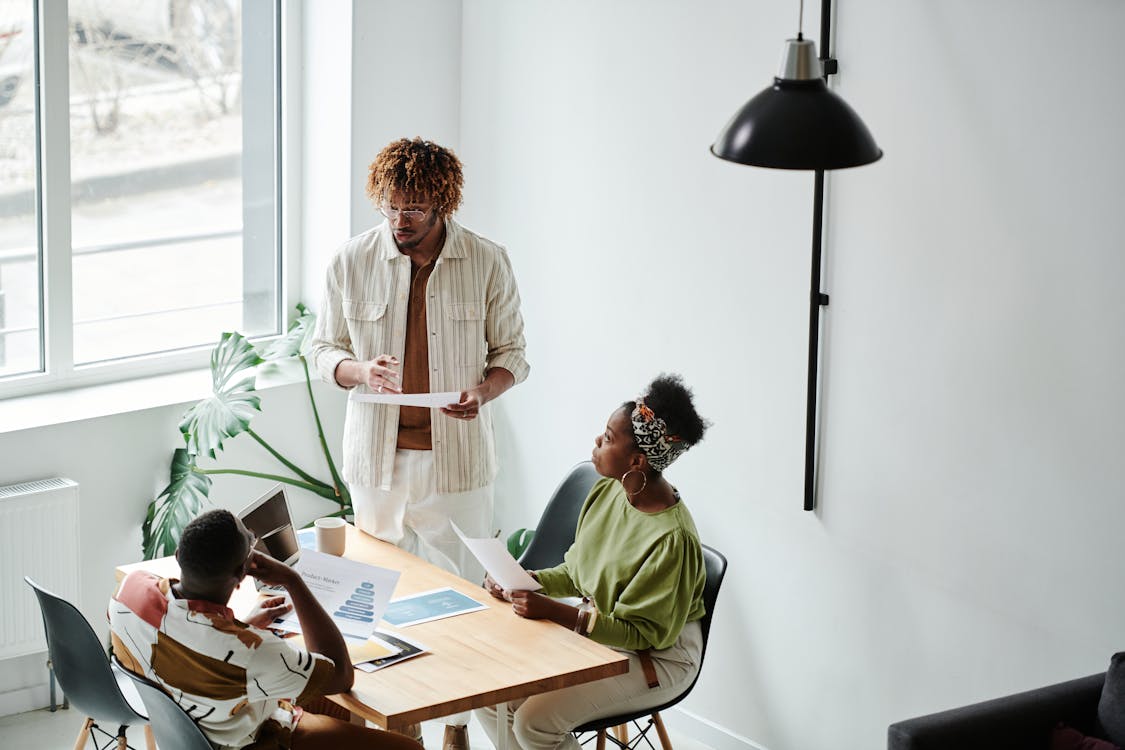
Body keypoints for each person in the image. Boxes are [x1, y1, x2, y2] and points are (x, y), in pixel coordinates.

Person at [309, 137, 529, 748]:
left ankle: (455, 726)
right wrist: (359, 372)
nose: (400, 221)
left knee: (460, 600)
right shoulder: (350, 260)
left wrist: (482, 393)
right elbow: (322, 347)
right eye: (390, 207)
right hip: (374, 463)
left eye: (415, 210)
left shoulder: (487, 261)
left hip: (457, 464)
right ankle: (387, 728)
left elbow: (513, 355)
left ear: (443, 205)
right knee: (370, 598)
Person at [477, 374, 710, 750]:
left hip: (659, 657)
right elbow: (578, 572)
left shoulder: (672, 539)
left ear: (636, 460)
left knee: (535, 723)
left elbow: (643, 634)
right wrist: (526, 580)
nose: (597, 443)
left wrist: (554, 612)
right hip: (602, 633)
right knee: (490, 695)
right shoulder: (608, 490)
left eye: (608, 437)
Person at [109, 509, 423, 750]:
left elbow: (183, 635)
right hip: (253, 740)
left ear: (179, 557)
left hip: (189, 732)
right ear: (241, 572)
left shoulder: (130, 592)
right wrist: (293, 581)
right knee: (408, 748)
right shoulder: (255, 653)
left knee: (326, 705)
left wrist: (236, 627)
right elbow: (341, 675)